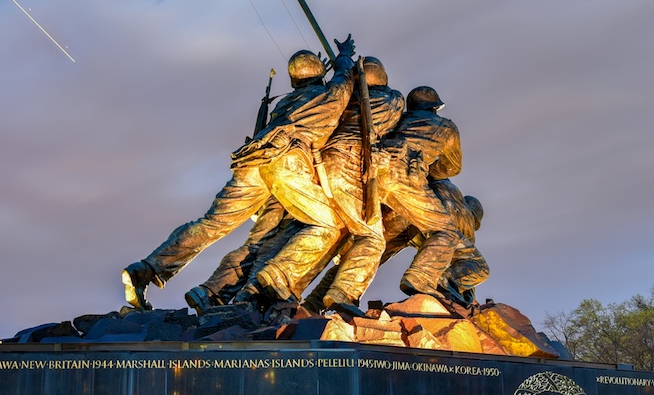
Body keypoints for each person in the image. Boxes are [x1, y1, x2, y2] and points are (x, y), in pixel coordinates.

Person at [123, 37, 357, 309]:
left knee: (212, 224)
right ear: (320, 76)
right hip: (287, 164)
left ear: (293, 83)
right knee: (329, 225)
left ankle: (147, 269)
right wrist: (345, 54)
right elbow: (345, 76)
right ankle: (275, 278)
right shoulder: (331, 96)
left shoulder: (285, 105)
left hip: (253, 161)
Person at [251, 57, 404, 314]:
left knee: (331, 231)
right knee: (372, 237)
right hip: (351, 165)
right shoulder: (392, 100)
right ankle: (341, 293)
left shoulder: (342, 102)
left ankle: (282, 289)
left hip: (321, 166)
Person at [375, 85, 463, 300]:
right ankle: (420, 278)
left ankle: (321, 295)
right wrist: (428, 169)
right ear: (434, 108)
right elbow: (452, 167)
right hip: (405, 181)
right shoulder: (445, 127)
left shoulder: (395, 119)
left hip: (372, 174)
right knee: (446, 232)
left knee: (370, 241)